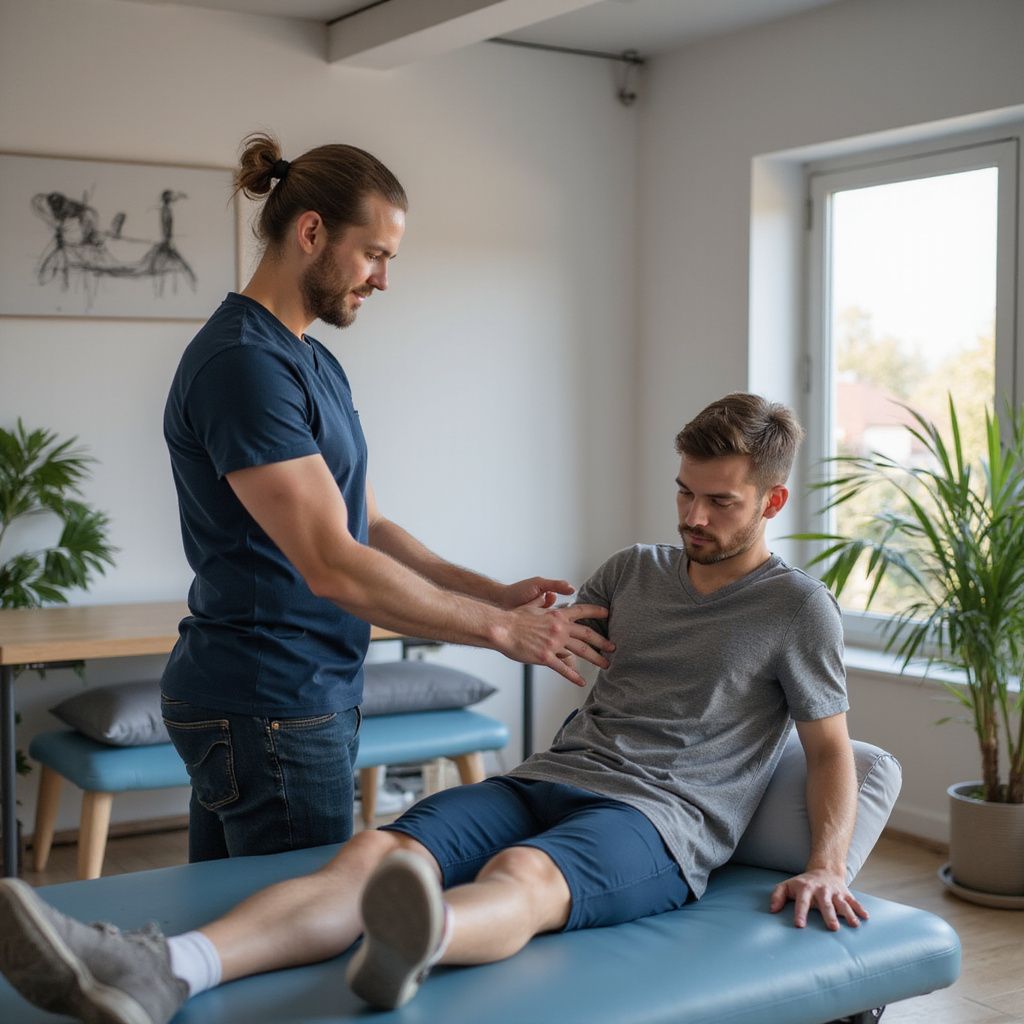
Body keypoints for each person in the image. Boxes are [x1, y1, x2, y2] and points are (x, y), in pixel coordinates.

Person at [0, 393, 867, 1024]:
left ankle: (416, 943)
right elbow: (554, 640)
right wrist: (513, 614)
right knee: (376, 851)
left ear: (772, 502)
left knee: (522, 878)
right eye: (685, 492)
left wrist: (828, 863)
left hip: (661, 820)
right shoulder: (631, 572)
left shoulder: (795, 610)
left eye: (720, 501)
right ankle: (167, 968)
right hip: (549, 776)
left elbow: (829, 752)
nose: (694, 515)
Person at [159, 133, 613, 863]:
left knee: (240, 916)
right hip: (270, 699)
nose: (382, 280)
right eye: (374, 254)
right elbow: (333, 565)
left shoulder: (309, 359)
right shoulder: (244, 364)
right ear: (311, 232)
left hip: (294, 691)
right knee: (296, 927)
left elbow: (365, 522)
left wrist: (496, 597)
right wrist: (503, 635)